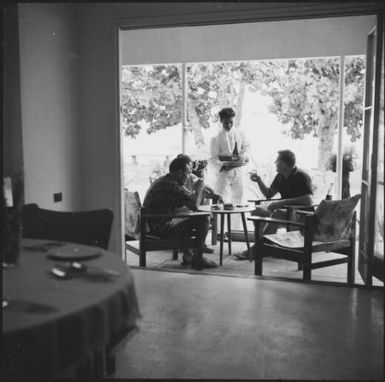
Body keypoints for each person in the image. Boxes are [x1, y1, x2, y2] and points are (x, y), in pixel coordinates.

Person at [234, 149, 314, 259]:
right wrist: (258, 180)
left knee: (277, 213)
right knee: (257, 210)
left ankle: (259, 248)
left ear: (285, 163)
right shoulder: (280, 176)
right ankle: (266, 245)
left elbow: (309, 200)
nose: (275, 163)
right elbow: (268, 194)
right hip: (285, 212)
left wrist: (282, 202)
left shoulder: (301, 176)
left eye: (277, 161)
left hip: (301, 215)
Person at [143, 156, 218, 268]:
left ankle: (189, 255)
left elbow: (188, 198)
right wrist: (199, 188)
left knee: (194, 217)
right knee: (203, 217)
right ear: (179, 172)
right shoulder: (170, 185)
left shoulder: (166, 181)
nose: (188, 178)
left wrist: (204, 192)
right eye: (188, 174)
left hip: (153, 224)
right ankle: (198, 257)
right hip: (160, 229)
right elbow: (194, 205)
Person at [209, 107, 250, 229]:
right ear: (221, 121)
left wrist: (243, 157)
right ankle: (221, 232)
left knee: (238, 201)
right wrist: (224, 165)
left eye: (231, 122)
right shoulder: (215, 138)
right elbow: (213, 159)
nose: (229, 125)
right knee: (222, 202)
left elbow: (247, 148)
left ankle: (233, 230)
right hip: (223, 174)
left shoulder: (240, 133)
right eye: (226, 122)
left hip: (238, 172)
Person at [177, 154, 223, 253]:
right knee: (203, 216)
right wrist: (199, 193)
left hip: (188, 208)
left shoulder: (190, 176)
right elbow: (191, 201)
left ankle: (199, 244)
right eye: (189, 164)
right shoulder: (177, 180)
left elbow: (203, 185)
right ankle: (197, 245)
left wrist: (215, 194)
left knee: (203, 212)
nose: (191, 167)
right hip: (180, 212)